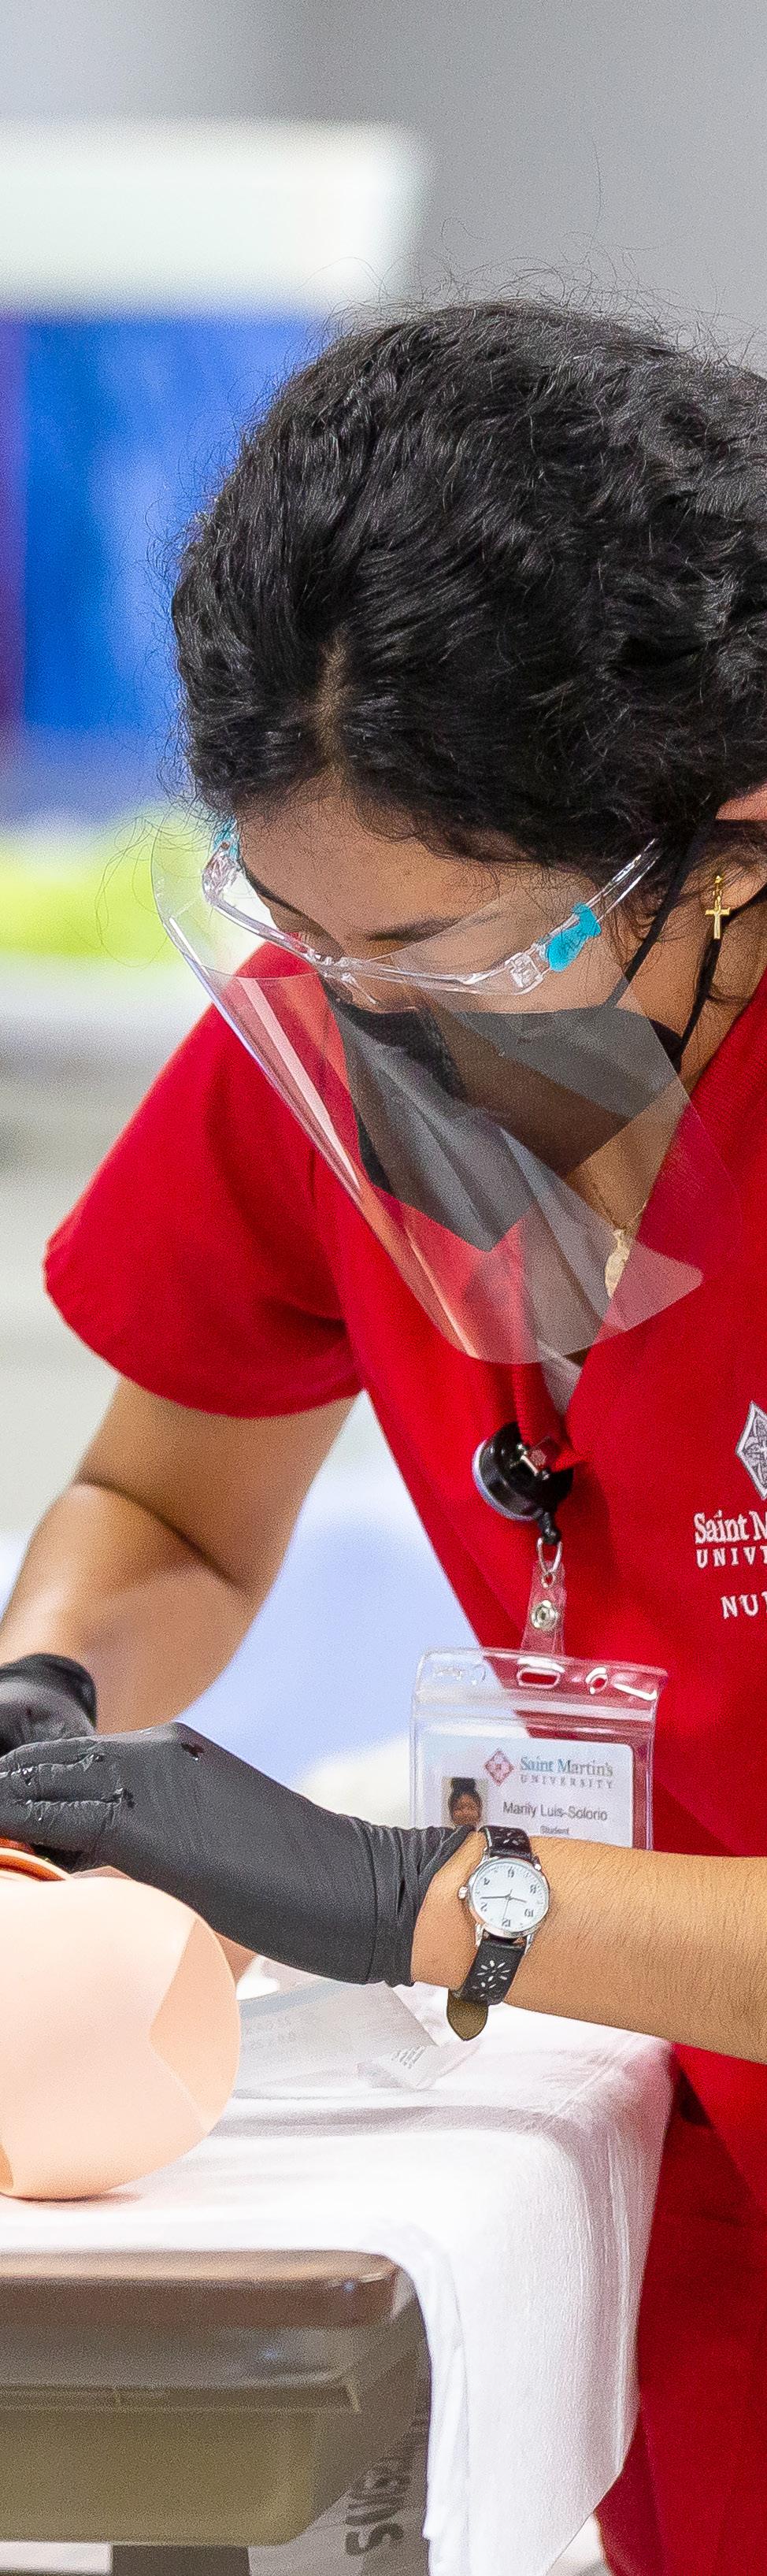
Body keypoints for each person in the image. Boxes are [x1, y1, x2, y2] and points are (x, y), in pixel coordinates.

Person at [3, 296, 767, 2570]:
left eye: (452, 950)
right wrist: (50, 1696)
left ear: (731, 841)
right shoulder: (348, 1046)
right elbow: (165, 1503)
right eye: (305, 934)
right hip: (688, 2172)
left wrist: (405, 1903)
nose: (372, 1027)